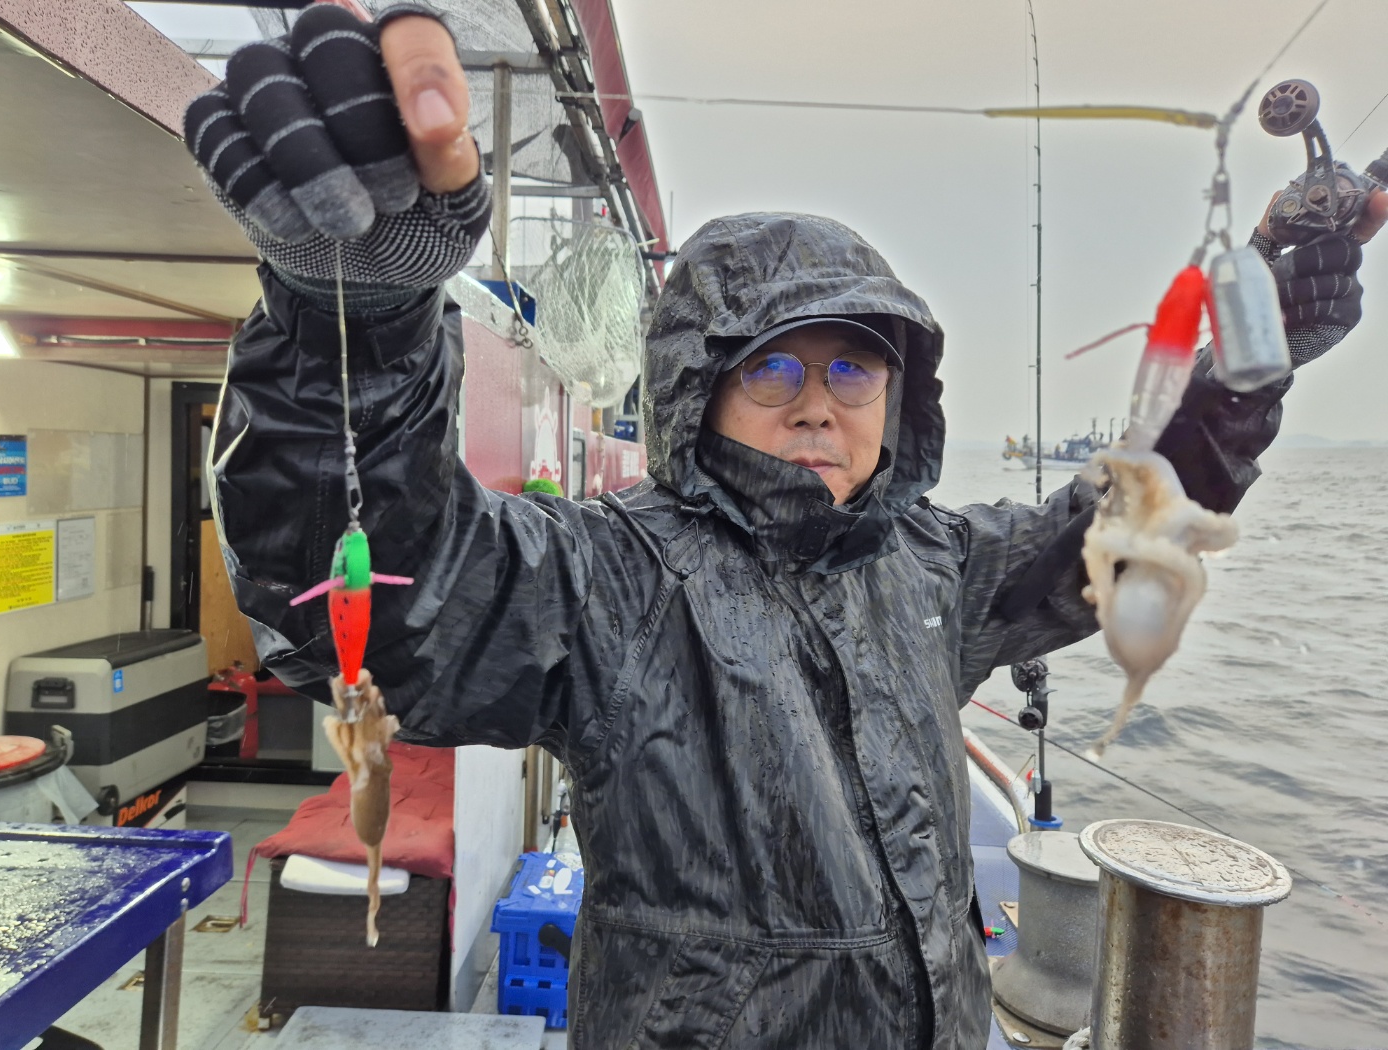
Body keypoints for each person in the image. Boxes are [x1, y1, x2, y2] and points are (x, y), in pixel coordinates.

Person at [189, 6, 1385, 1047]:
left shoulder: (937, 565)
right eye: (770, 366)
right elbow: (387, 593)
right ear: (698, 393)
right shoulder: (608, 575)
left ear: (896, 398)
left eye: (852, 367)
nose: (818, 402)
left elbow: (1123, 536)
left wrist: (1246, 365)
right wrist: (356, 309)